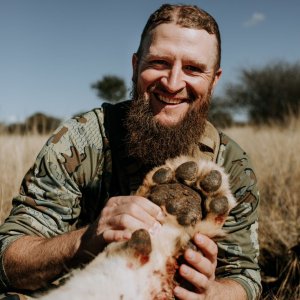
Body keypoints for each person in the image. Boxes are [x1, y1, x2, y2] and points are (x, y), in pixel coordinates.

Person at [0, 4, 261, 300]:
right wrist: (85, 240)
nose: (173, 83)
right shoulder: (80, 140)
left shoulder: (231, 164)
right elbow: (8, 261)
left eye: (193, 69)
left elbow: (244, 277)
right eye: (159, 63)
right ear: (135, 65)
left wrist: (209, 292)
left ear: (214, 79)